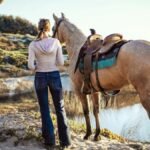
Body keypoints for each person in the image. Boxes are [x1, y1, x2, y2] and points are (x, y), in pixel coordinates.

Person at [28, 19, 71, 148]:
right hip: (54, 75)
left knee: (45, 109)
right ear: (49, 28)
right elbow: (61, 63)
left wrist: (38, 67)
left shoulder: (33, 44)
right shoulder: (56, 42)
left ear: (38, 28)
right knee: (60, 108)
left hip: (40, 76)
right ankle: (65, 142)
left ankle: (50, 142)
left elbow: (30, 66)